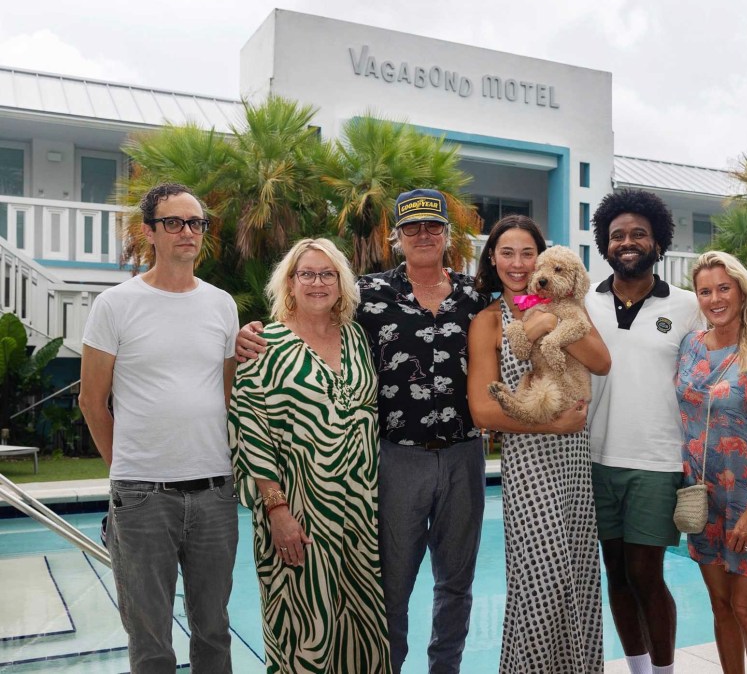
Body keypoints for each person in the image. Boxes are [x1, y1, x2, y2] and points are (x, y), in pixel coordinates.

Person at [235, 189, 489, 673]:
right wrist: (247, 336)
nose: (423, 235)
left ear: (448, 236)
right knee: (390, 586)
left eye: (433, 227)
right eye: (411, 228)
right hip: (397, 460)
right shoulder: (369, 297)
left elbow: (524, 303)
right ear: (396, 238)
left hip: (464, 455)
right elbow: (303, 323)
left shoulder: (475, 295)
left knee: (456, 585)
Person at [79, 183, 239, 673]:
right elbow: (92, 400)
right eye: (174, 222)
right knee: (150, 640)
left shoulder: (221, 305)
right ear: (150, 231)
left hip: (214, 493)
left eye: (195, 223)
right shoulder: (115, 305)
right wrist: (126, 469)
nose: (187, 232)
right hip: (142, 497)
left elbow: (229, 397)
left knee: (213, 630)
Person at [229, 238, 390, 673]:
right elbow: (250, 431)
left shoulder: (357, 338)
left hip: (359, 513)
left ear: (342, 283)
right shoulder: (265, 344)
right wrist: (276, 510)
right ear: (290, 283)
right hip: (297, 511)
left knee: (361, 629)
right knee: (304, 627)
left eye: (327, 274)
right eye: (307, 274)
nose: (317, 282)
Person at [466, 215, 610, 673]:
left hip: (573, 462)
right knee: (540, 582)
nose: (518, 262)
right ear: (493, 258)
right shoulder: (488, 322)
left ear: (542, 259)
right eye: (506, 252)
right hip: (529, 461)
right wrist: (551, 427)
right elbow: (484, 413)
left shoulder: (568, 310)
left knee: (581, 578)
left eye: (528, 253)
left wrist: (547, 323)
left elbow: (602, 362)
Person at [587, 188, 704, 674]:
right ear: (604, 244)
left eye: (639, 234)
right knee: (615, 572)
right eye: (617, 235)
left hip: (657, 461)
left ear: (658, 242)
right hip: (593, 458)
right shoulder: (583, 303)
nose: (627, 242)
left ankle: (663, 671)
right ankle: (636, 669)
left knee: (645, 573)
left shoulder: (689, 306)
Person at [675, 251, 747, 674]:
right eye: (705, 291)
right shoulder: (690, 346)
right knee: (720, 605)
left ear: (743, 292)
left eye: (724, 288)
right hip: (701, 498)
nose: (714, 298)